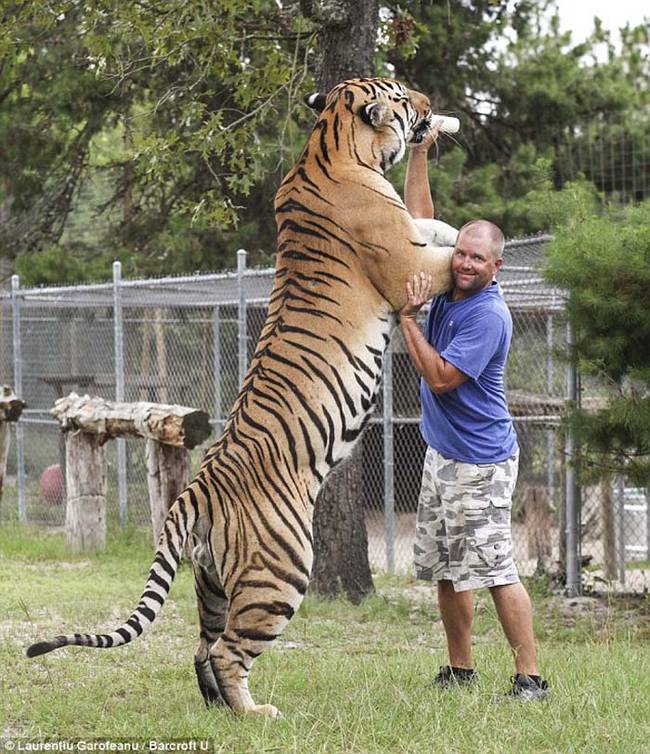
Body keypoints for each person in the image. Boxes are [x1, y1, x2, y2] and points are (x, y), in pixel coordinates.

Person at [399, 122, 549, 701]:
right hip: (444, 456)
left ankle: (530, 679)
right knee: (446, 567)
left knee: (493, 571)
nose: (463, 263)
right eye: (459, 252)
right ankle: (460, 669)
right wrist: (419, 152)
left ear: (496, 267)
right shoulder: (449, 280)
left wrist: (408, 319)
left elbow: (439, 379)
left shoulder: (487, 315)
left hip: (481, 464)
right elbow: (418, 225)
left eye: (476, 258)